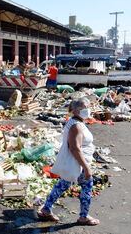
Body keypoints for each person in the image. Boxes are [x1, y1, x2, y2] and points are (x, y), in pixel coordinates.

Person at [37, 97, 100, 226]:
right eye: (84, 108)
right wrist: (86, 168)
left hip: (72, 164)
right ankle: (83, 216)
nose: (88, 110)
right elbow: (75, 148)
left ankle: (46, 209)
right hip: (77, 164)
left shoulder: (75, 122)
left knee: (62, 185)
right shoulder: (76, 126)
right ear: (76, 110)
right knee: (87, 186)